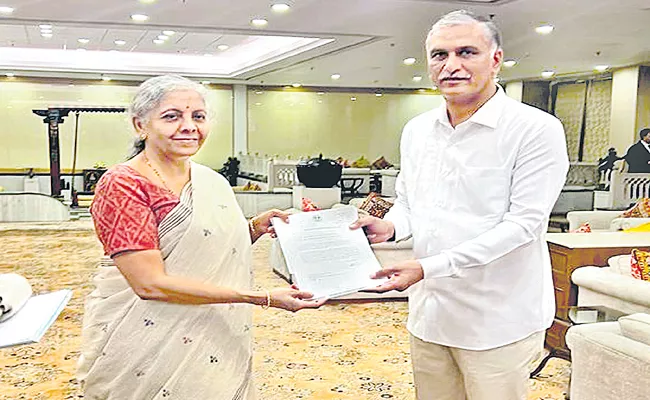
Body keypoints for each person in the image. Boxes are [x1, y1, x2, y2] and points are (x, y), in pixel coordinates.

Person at [351, 10, 569, 400]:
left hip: (498, 319)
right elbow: (410, 202)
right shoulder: (417, 131)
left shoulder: (536, 130)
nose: (451, 65)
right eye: (439, 55)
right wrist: (391, 227)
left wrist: (427, 267)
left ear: (496, 59)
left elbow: (522, 226)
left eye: (466, 52)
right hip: (431, 313)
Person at [77, 74, 324, 399]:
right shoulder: (124, 184)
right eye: (172, 116)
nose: (189, 126)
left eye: (198, 116)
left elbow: (209, 245)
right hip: (144, 340)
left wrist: (255, 228)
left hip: (214, 330)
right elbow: (149, 283)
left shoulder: (211, 181)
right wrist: (260, 298)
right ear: (140, 125)